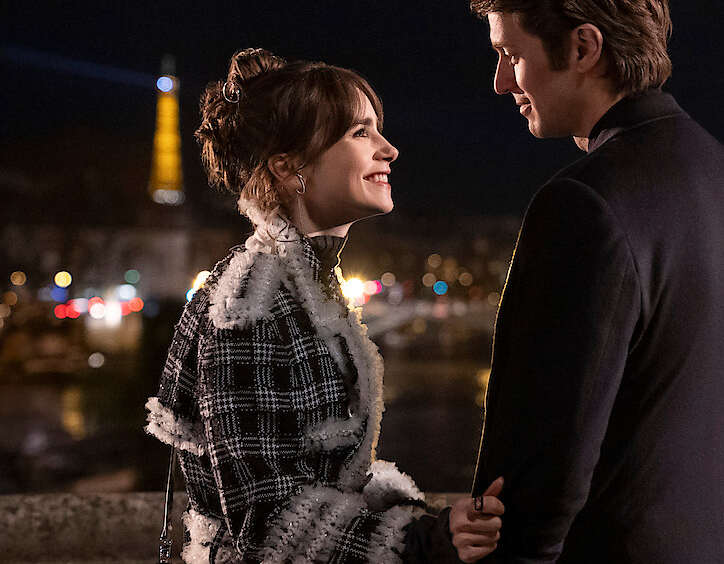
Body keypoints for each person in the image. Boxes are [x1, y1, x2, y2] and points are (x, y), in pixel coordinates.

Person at [464, 0, 724, 563]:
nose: (502, 81)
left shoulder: (581, 204)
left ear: (584, 47)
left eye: (511, 54)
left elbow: (537, 468)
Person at [145, 48, 503, 564]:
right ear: (290, 168)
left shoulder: (301, 282)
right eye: (360, 133)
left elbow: (326, 476)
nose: (390, 149)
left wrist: (427, 524)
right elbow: (265, 521)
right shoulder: (252, 303)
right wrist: (418, 542)